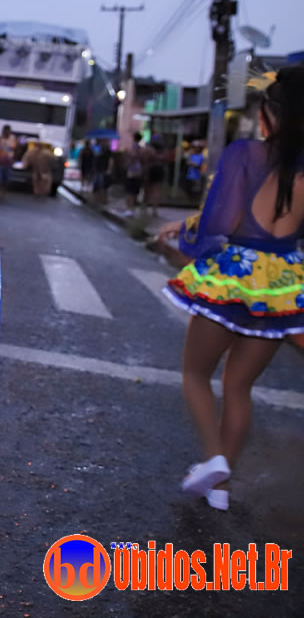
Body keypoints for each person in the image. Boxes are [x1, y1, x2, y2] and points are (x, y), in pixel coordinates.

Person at [157, 67, 304, 511]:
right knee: (239, 387)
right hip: (282, 284)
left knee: (196, 375)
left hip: (232, 277)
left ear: (269, 114)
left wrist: (186, 239)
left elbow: (221, 222)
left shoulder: (246, 154)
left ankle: (213, 459)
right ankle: (220, 487)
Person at [0, 125, 18, 200]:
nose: (6, 133)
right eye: (5, 131)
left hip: (8, 163)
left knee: (6, 179)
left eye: (8, 131)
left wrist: (14, 159)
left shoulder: (13, 139)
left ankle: (3, 194)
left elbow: (16, 149)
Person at [124, 132, 145, 215]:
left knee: (130, 191)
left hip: (132, 172)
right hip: (138, 172)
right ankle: (131, 208)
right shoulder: (141, 149)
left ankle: (129, 209)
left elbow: (132, 157)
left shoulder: (133, 148)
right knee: (134, 191)